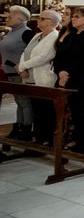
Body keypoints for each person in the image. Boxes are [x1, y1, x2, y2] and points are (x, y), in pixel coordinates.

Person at [53, 7, 84, 155]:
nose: (73, 19)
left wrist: (68, 74)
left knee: (80, 112)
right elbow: (59, 55)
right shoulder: (71, 35)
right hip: (65, 78)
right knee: (74, 113)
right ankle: (80, 143)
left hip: (82, 80)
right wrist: (60, 71)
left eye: (77, 17)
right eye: (73, 17)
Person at [18, 10, 61, 144]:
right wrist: (21, 68)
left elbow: (44, 57)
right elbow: (25, 52)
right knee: (36, 109)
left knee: (45, 110)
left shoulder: (54, 36)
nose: (39, 20)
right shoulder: (37, 35)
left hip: (43, 78)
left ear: (52, 22)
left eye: (42, 18)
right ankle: (38, 137)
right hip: (29, 77)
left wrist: (23, 66)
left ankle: (47, 139)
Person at [0, 5, 32, 140]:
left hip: (20, 73)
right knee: (19, 102)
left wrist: (23, 68)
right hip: (10, 72)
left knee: (24, 102)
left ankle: (26, 129)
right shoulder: (11, 32)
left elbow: (32, 53)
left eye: (10, 16)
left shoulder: (27, 32)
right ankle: (18, 127)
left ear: (20, 18)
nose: (7, 17)